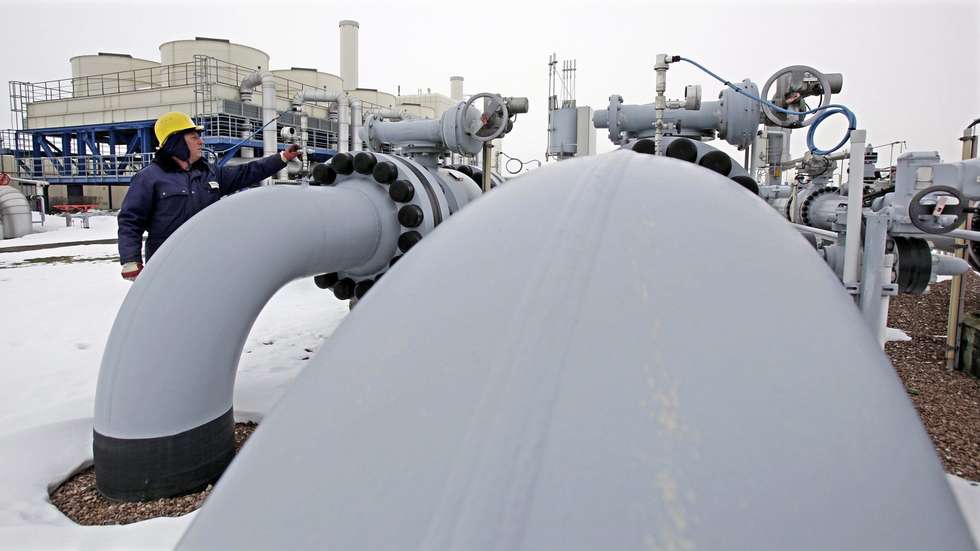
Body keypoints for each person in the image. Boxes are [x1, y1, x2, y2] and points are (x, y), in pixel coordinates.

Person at [117, 112, 301, 280]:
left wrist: (282, 158)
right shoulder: (149, 178)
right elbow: (131, 220)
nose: (201, 142)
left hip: (207, 263)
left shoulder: (210, 173)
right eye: (194, 137)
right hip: (167, 265)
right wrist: (131, 260)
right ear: (177, 142)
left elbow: (247, 172)